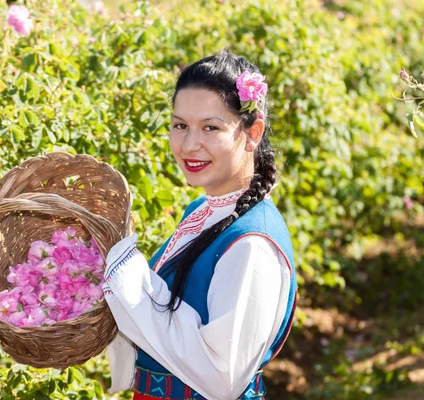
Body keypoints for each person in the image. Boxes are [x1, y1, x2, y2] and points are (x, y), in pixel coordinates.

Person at [100, 50, 298, 400]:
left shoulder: (252, 244)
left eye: (210, 127)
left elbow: (223, 378)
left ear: (252, 132)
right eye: (180, 126)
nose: (189, 145)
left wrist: (127, 280)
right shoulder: (202, 210)